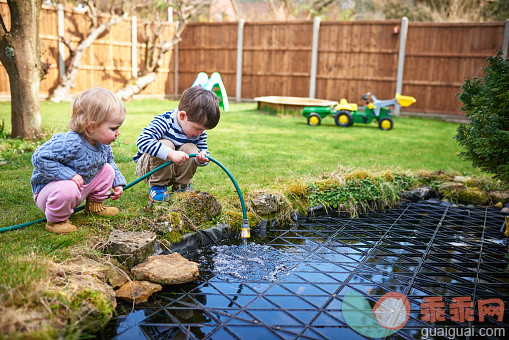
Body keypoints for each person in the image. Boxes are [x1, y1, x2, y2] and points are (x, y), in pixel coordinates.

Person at [31, 87, 127, 234]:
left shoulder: (102, 145)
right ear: (91, 127)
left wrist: (118, 182)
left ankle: (95, 206)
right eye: (114, 128)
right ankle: (56, 221)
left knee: (107, 169)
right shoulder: (71, 142)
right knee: (68, 188)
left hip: (79, 187)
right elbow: (39, 158)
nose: (118, 133)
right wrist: (69, 175)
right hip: (51, 193)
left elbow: (110, 163)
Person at [133, 86, 220, 201]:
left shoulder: (198, 132)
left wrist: (201, 159)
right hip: (150, 169)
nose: (200, 133)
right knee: (166, 143)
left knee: (191, 148)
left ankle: (181, 187)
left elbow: (204, 151)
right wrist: (170, 153)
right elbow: (143, 141)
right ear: (182, 116)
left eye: (204, 130)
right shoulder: (165, 121)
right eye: (198, 129)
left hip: (174, 169)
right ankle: (157, 187)